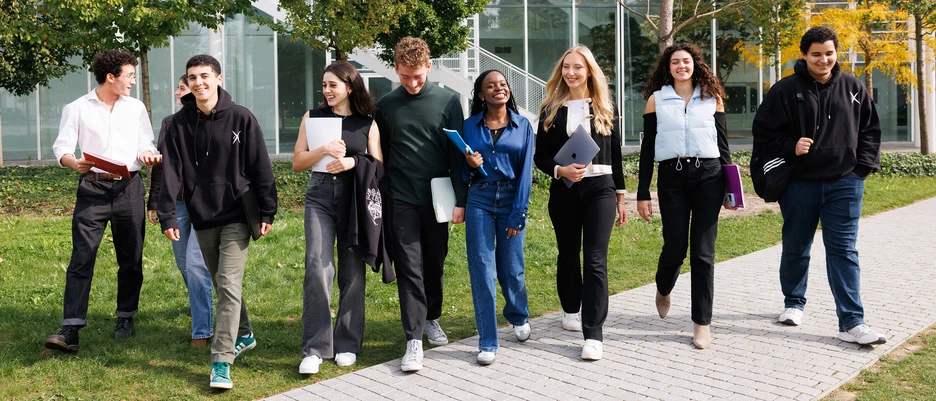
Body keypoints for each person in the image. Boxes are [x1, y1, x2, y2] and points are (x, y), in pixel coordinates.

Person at [752, 26, 885, 345]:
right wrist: (790, 146)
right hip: (800, 184)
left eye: (829, 53)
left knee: (843, 250)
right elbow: (763, 132)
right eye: (816, 54)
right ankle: (793, 303)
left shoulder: (853, 86)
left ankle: (852, 322)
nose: (823, 60)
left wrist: (860, 170)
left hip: (845, 183)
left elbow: (870, 130)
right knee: (796, 246)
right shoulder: (784, 90)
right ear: (804, 55)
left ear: (836, 53)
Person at [157, 54, 278, 389]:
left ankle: (221, 361)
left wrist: (267, 210)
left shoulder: (241, 118)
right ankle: (245, 333)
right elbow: (170, 173)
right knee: (223, 283)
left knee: (226, 282)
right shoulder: (177, 125)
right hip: (201, 214)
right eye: (192, 77)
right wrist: (167, 213)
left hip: (237, 214)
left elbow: (260, 166)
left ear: (219, 79)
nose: (198, 83)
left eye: (205, 76)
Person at [46, 49, 161, 353]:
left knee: (131, 258)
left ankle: (126, 317)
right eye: (129, 75)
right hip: (92, 189)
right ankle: (70, 329)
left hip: (129, 189)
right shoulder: (77, 108)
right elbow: (62, 147)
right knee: (82, 257)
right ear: (111, 77)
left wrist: (147, 154)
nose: (133, 81)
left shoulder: (136, 108)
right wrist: (74, 163)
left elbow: (145, 143)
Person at [375, 36, 467, 372]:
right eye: (405, 76)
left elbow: (457, 155)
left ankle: (432, 317)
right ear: (395, 69)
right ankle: (413, 340)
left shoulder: (448, 101)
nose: (412, 83)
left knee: (434, 263)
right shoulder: (385, 105)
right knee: (409, 267)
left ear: (429, 67)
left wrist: (461, 200)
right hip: (401, 198)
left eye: (417, 76)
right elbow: (381, 154)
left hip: (439, 199)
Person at [533, 45, 628, 361]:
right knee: (568, 254)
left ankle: (594, 335)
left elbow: (615, 156)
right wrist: (561, 171)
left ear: (589, 71)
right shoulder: (551, 109)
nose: (571, 73)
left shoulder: (605, 107)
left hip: (600, 189)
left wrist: (621, 197)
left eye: (578, 67)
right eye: (566, 67)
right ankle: (570, 308)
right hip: (564, 191)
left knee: (596, 260)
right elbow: (541, 157)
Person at [638, 42, 734, 349]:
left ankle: (701, 323)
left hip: (710, 176)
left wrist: (732, 189)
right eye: (675, 62)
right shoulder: (656, 99)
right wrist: (642, 192)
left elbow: (723, 146)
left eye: (686, 61)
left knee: (703, 253)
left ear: (695, 65)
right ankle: (664, 286)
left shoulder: (712, 97)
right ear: (668, 67)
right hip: (672, 177)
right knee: (675, 248)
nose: (681, 66)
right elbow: (647, 149)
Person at [292, 62, 383, 375]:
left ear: (350, 86)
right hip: (319, 196)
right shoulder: (312, 117)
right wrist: (323, 150)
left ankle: (347, 343)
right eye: (324, 85)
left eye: (333, 85)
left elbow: (379, 166)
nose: (327, 91)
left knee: (352, 271)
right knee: (317, 267)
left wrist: (352, 162)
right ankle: (315, 348)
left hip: (354, 198)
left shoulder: (367, 123)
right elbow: (297, 162)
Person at [462, 70, 535, 366]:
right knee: (482, 269)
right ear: (481, 95)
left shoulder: (523, 125)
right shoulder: (469, 126)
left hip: (511, 198)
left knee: (512, 269)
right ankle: (487, 341)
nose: (498, 89)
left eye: (502, 84)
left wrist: (519, 212)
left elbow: (526, 172)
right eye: (490, 86)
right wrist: (469, 165)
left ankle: (518, 315)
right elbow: (462, 172)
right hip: (479, 198)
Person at [146, 74, 214, 347]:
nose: (177, 93)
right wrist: (155, 201)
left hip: (206, 205)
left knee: (197, 264)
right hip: (177, 204)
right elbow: (161, 166)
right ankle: (202, 305)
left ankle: (202, 330)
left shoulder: (210, 121)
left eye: (182, 88)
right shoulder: (169, 123)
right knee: (184, 264)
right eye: (178, 88)